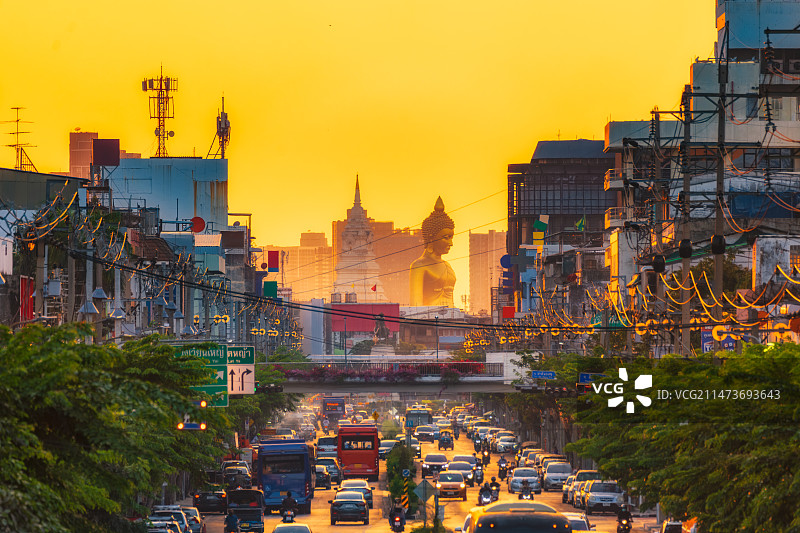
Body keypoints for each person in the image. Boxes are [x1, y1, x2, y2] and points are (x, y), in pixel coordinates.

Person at [409, 197, 457, 307]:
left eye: (451, 237)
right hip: (428, 320)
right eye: (446, 237)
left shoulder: (447, 266)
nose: (451, 243)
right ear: (431, 238)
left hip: (451, 319)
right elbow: (416, 307)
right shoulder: (419, 266)